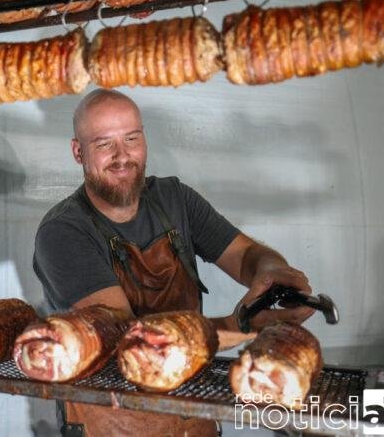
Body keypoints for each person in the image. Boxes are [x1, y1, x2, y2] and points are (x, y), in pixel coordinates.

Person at [32, 88, 315, 437]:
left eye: (132, 138)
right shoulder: (63, 231)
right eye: (104, 144)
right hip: (111, 421)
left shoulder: (174, 199)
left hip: (189, 411)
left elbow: (245, 256)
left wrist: (271, 272)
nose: (123, 156)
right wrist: (241, 324)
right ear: (79, 152)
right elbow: (130, 340)